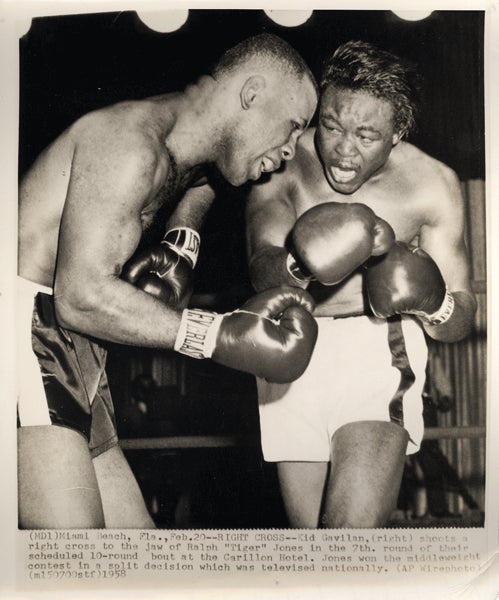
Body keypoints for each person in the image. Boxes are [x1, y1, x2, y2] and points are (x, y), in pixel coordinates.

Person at [17, 33, 319, 529]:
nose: (289, 151)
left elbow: (205, 180)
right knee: (82, 561)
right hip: (26, 330)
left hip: (72, 343)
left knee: (139, 555)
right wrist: (214, 335)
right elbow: (82, 297)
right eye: (292, 127)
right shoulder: (128, 144)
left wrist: (182, 243)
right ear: (252, 94)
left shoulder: (186, 139)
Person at [245, 40, 477, 528]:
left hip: (377, 350)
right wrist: (306, 263)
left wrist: (431, 302)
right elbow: (262, 266)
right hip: (288, 346)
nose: (344, 150)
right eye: (331, 126)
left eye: (367, 135)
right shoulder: (282, 160)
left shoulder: (432, 183)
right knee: (315, 561)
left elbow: (460, 318)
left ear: (397, 133)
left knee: (346, 540)